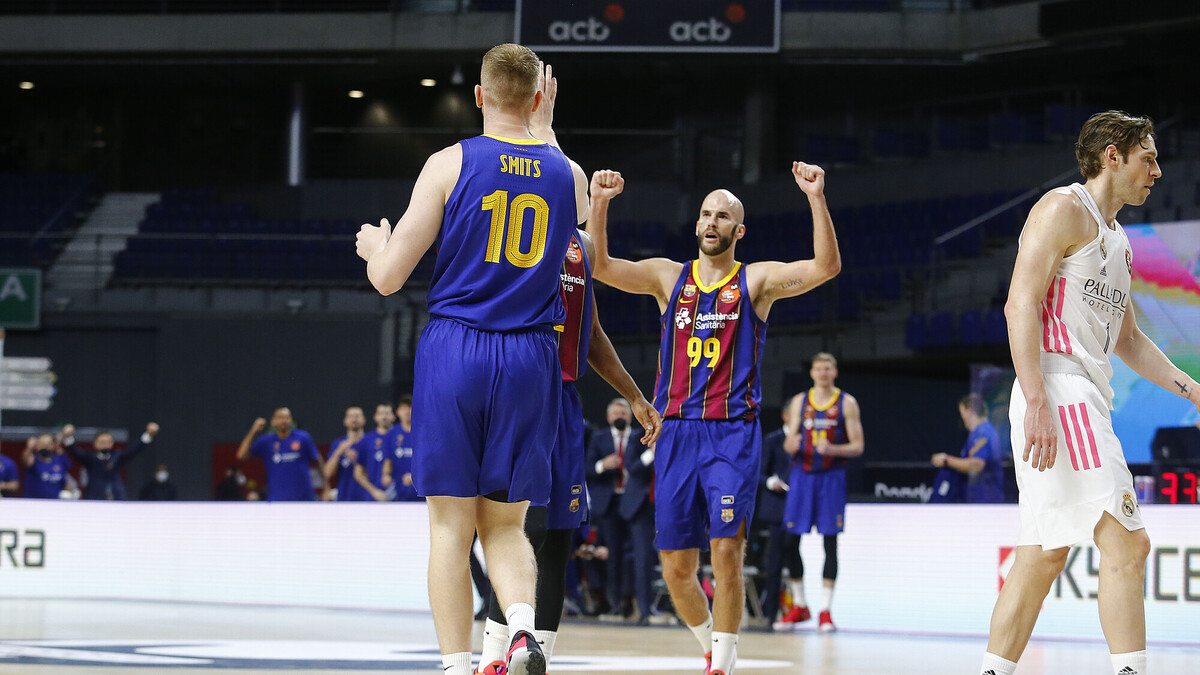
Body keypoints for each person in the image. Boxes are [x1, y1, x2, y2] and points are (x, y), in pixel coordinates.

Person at [355, 43, 590, 675]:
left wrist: (374, 245)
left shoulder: (448, 164)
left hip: (458, 346)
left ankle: (458, 664)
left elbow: (388, 278)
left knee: (450, 527)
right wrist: (544, 129)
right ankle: (519, 631)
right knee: (507, 526)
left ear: (480, 96)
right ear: (539, 98)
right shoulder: (568, 176)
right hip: (530, 355)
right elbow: (581, 211)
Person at [587, 160, 841, 675]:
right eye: (705, 214)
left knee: (726, 551)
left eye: (722, 216)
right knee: (677, 570)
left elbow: (825, 267)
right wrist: (599, 203)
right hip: (676, 432)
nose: (710, 222)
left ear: (737, 230)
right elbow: (601, 267)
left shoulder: (756, 283)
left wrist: (815, 197)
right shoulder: (667, 276)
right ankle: (711, 644)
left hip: (732, 433)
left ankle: (722, 664)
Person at [980, 111, 1198, 675]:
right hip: (1059, 388)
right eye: (1146, 156)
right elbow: (1019, 305)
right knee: (1128, 543)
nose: (1157, 169)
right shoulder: (1062, 208)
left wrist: (1192, 390)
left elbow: (1127, 340)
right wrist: (1037, 402)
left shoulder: (1120, 244)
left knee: (1042, 554)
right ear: (1112, 155)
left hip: (1081, 393)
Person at [473, 70, 661, 673]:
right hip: (513, 392)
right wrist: (544, 126)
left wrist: (634, 396)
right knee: (507, 530)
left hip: (564, 406)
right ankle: (487, 657)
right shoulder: (516, 241)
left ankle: (533, 661)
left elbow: (594, 336)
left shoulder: (578, 248)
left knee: (557, 538)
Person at [782, 353, 864, 633]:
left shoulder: (847, 402)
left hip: (831, 477)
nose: (823, 373)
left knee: (830, 542)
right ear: (812, 373)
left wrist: (834, 450)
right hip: (802, 475)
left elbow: (858, 446)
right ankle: (800, 605)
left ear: (835, 372)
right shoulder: (799, 402)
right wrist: (789, 445)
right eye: (818, 368)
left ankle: (826, 611)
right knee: (791, 541)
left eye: (827, 368)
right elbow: (789, 440)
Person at [584, 398, 642, 620]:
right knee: (611, 555)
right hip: (608, 503)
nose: (620, 416)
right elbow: (586, 468)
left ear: (630, 416)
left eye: (624, 413)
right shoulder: (599, 438)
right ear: (609, 417)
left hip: (633, 501)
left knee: (632, 555)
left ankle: (630, 601)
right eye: (616, 413)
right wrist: (602, 465)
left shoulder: (638, 438)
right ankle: (613, 601)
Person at [756, 395, 804, 626]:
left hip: (799, 507)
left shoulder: (808, 441)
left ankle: (798, 607)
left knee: (793, 552)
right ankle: (770, 614)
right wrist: (769, 482)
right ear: (786, 416)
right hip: (777, 508)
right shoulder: (772, 440)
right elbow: (758, 472)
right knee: (774, 561)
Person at [236, 407, 326, 502]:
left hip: (304, 497)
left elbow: (318, 460)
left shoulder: (303, 437)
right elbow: (241, 455)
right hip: (277, 498)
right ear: (273, 421)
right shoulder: (266, 441)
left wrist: (326, 488)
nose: (284, 420)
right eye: (280, 417)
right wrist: (253, 430)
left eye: (287, 417)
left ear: (291, 420)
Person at [931, 393, 1005, 503]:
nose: (962, 417)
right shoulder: (983, 431)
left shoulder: (982, 432)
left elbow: (976, 465)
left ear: (969, 411)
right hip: (982, 497)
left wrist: (946, 460)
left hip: (985, 499)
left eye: (962, 413)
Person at [63, 422, 159, 500]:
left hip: (117, 497)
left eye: (108, 442)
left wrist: (148, 435)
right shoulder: (90, 458)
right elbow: (75, 451)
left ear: (112, 443)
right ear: (95, 444)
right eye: (102, 442)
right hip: (95, 498)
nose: (105, 445)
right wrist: (68, 436)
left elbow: (134, 450)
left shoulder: (117, 456)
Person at [352, 403, 396, 503]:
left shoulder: (403, 437)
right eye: (381, 413)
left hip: (401, 498)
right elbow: (358, 473)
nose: (384, 417)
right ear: (375, 417)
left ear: (394, 416)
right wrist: (374, 491)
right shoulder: (366, 440)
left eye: (387, 413)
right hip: (373, 499)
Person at [324, 405, 367, 501]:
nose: (354, 419)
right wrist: (339, 452)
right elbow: (327, 473)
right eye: (350, 416)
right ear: (345, 421)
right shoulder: (338, 444)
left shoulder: (371, 442)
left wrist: (357, 460)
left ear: (364, 420)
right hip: (345, 497)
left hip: (367, 497)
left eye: (357, 416)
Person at [22, 434, 71, 499]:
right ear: (37, 446)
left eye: (48, 444)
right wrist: (29, 448)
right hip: (34, 502)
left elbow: (64, 481)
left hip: (55, 502)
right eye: (42, 444)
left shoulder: (58, 460)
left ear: (52, 445)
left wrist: (69, 494)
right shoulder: (34, 460)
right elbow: (26, 460)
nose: (45, 447)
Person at [391, 396, 420, 502]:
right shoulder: (392, 434)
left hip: (422, 494)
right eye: (404, 408)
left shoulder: (424, 433)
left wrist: (415, 476)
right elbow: (387, 463)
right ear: (398, 412)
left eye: (410, 407)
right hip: (399, 494)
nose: (407, 411)